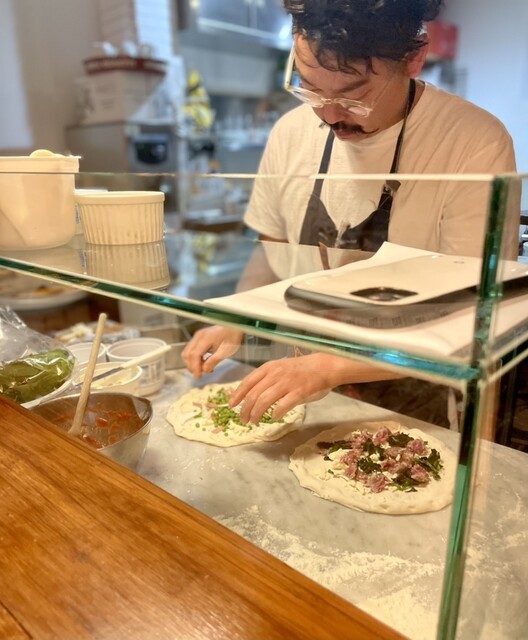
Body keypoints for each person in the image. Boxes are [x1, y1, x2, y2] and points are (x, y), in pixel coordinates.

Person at [183, 0, 518, 427]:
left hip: (413, 396)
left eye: (353, 95)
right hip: (301, 382)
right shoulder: (289, 132)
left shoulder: (473, 143)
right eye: (309, 88)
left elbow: (471, 314)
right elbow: (272, 248)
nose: (328, 114)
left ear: (414, 58)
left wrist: (330, 367)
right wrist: (236, 316)